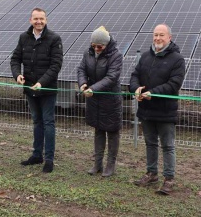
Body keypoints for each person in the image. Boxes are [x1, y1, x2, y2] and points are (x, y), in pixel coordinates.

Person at [129, 24, 185, 195]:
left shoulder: (177, 59)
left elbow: (174, 84)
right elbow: (134, 76)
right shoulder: (145, 57)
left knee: (167, 146)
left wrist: (153, 93)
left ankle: (168, 179)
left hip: (165, 110)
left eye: (161, 35)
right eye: (155, 35)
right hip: (146, 109)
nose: (158, 38)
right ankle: (151, 173)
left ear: (170, 37)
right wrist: (136, 89)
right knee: (150, 143)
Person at [10, 7, 63, 173]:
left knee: (48, 122)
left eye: (42, 19)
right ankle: (36, 155)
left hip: (47, 89)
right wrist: (17, 75)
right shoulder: (23, 38)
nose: (39, 22)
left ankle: (49, 159)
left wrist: (42, 82)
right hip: (30, 88)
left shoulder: (54, 39)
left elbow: (56, 65)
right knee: (36, 121)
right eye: (36, 19)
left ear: (46, 20)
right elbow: (15, 59)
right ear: (30, 20)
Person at [77, 26, 123, 177]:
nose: (96, 48)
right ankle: (97, 163)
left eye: (100, 46)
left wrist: (93, 89)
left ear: (106, 44)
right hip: (94, 100)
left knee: (112, 132)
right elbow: (81, 69)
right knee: (98, 130)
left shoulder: (116, 56)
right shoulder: (87, 53)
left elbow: (111, 77)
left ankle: (110, 165)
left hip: (110, 100)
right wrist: (83, 83)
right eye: (94, 45)